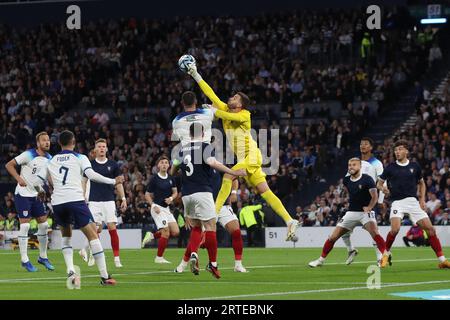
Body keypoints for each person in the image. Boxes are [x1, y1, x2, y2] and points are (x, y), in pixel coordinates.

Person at [186, 63, 299, 241]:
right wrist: (195, 74)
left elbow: (230, 117)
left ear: (240, 105)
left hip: (252, 156)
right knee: (265, 191)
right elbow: (210, 93)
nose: (231, 98)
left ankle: (213, 214)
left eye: (235, 98)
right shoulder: (225, 109)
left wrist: (214, 110)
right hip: (247, 158)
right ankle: (289, 220)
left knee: (228, 176)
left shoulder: (245, 114)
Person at [37, 130, 124, 287]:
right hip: (75, 200)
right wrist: (113, 181)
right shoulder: (80, 157)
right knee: (93, 235)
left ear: (60, 143)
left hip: (58, 203)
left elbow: (40, 180)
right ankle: (104, 276)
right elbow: (91, 175)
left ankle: (70, 270)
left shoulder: (51, 160)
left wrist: (42, 191)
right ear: (74, 142)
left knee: (66, 237)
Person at [171, 123, 246, 279]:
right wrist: (233, 171)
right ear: (204, 133)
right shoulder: (206, 150)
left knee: (197, 228)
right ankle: (212, 264)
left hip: (190, 195)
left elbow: (173, 170)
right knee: (210, 228)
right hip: (204, 195)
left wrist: (232, 191)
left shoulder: (182, 150)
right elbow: (214, 164)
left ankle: (194, 255)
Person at [377, 139, 450, 268]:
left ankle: (442, 260)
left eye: (400, 149)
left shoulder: (414, 166)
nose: (397, 152)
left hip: (413, 202)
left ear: (406, 151)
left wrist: (422, 200)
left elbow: (421, 183)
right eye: (395, 150)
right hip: (397, 203)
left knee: (430, 229)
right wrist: (383, 189)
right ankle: (385, 255)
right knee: (395, 230)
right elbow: (379, 183)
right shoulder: (390, 167)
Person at [308, 158, 389, 268]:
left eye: (354, 165)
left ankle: (384, 257)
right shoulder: (346, 180)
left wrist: (369, 207)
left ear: (360, 166)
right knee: (333, 237)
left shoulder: (367, 179)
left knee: (375, 233)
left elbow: (374, 196)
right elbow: (352, 193)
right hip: (351, 212)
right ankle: (320, 260)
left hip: (365, 212)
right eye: (349, 165)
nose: (351, 167)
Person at [5, 131, 54, 272]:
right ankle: (24, 260)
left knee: (44, 225)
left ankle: (43, 257)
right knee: (25, 227)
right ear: (38, 143)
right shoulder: (29, 154)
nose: (47, 142)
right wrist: (18, 178)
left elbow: (46, 176)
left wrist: (49, 188)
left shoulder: (49, 158)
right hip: (23, 194)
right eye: (44, 140)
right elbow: (9, 165)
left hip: (36, 195)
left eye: (48, 140)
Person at [79, 139, 127, 268]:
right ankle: (93, 256)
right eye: (99, 147)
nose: (101, 148)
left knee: (112, 227)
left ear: (106, 149)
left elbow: (119, 182)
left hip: (109, 200)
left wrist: (123, 198)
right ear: (95, 150)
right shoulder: (90, 165)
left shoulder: (113, 164)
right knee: (95, 230)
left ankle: (116, 258)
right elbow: (83, 181)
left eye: (103, 147)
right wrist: (83, 196)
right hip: (94, 201)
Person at [340, 137, 385, 266]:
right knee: (343, 230)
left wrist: (380, 202)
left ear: (371, 147)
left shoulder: (376, 163)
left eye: (366, 144)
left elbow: (382, 181)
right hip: (355, 202)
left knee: (373, 231)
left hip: (369, 201)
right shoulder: (355, 162)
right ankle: (351, 250)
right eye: (361, 144)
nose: (363, 146)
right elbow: (348, 179)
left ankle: (380, 257)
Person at [142, 155, 179, 264]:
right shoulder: (154, 179)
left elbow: (175, 192)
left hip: (166, 209)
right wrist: (153, 205)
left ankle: (152, 235)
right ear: (158, 165)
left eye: (166, 163)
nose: (164, 164)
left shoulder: (171, 178)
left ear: (169, 165)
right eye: (162, 162)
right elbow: (147, 194)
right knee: (166, 232)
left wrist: (171, 198)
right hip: (157, 208)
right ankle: (159, 258)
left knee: (176, 232)